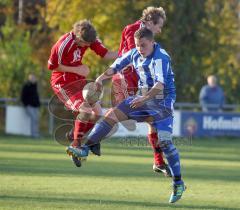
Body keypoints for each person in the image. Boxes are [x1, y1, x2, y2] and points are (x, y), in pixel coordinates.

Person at [67, 28, 186, 203]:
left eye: (143, 45)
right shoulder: (134, 53)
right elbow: (115, 66)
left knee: (166, 142)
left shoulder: (161, 57)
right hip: (142, 97)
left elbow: (160, 85)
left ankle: (178, 183)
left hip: (162, 104)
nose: (140, 49)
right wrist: (100, 79)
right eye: (137, 45)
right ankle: (85, 148)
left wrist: (144, 98)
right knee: (111, 115)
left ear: (152, 43)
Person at [48, 19, 118, 167]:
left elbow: (105, 54)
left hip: (79, 82)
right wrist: (77, 69)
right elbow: (52, 66)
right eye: (85, 44)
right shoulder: (62, 44)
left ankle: (77, 136)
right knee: (85, 110)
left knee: (97, 113)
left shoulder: (90, 38)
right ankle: (75, 145)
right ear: (78, 36)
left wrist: (128, 54)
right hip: (63, 83)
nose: (87, 46)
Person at [112, 6, 170, 176]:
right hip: (125, 80)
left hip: (139, 81)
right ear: (150, 22)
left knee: (153, 120)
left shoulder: (146, 37)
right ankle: (84, 141)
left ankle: (158, 162)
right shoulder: (133, 30)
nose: (159, 30)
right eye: (158, 26)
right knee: (117, 114)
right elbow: (135, 57)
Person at [20, 73, 41, 138]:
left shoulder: (35, 86)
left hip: (36, 106)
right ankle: (33, 134)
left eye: (34, 78)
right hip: (29, 106)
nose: (33, 79)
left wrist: (38, 104)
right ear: (29, 78)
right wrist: (26, 105)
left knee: (36, 120)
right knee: (33, 119)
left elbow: (36, 96)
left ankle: (36, 133)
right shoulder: (26, 86)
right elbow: (22, 97)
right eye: (31, 78)